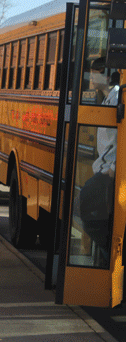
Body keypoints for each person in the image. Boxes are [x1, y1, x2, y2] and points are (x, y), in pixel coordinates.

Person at [78, 57, 119, 266]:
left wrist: (113, 169)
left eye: (94, 72)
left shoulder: (118, 97)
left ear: (105, 74)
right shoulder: (106, 99)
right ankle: (107, 260)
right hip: (104, 168)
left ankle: (111, 256)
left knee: (86, 204)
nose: (90, 77)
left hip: (111, 172)